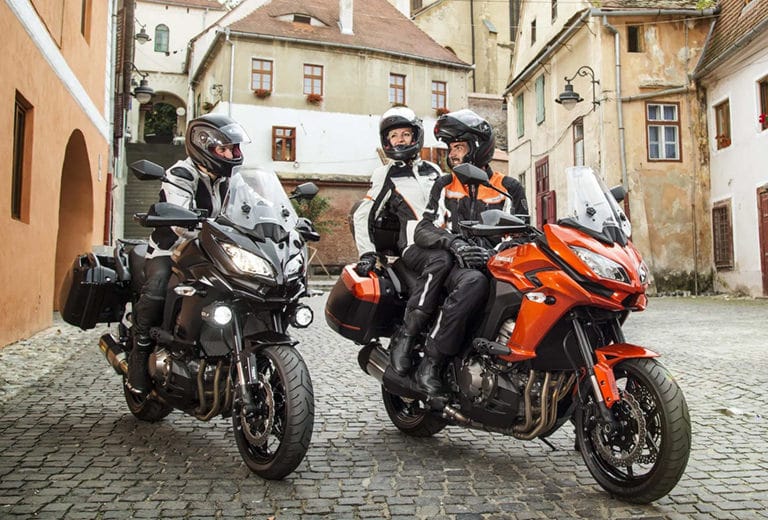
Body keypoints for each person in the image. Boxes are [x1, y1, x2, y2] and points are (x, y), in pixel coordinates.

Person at [127, 113, 250, 395]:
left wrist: (279, 222)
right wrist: (195, 224)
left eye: (236, 148)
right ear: (204, 147)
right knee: (157, 287)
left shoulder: (232, 179)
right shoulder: (180, 174)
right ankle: (139, 352)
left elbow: (253, 204)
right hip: (171, 249)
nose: (235, 154)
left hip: (212, 250)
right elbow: (180, 221)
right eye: (228, 148)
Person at [411, 109, 529, 398]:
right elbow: (424, 228)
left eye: (459, 147)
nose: (452, 154)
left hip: (498, 264)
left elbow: (523, 233)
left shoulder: (508, 187)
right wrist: (456, 245)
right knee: (473, 283)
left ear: (478, 149)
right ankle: (432, 362)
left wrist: (495, 253)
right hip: (459, 265)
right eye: (450, 148)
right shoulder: (445, 184)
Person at [351, 106, 445, 375]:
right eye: (394, 136)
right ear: (387, 142)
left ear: (417, 136)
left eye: (406, 133)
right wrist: (366, 253)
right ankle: (407, 336)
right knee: (438, 275)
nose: (401, 140)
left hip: (444, 241)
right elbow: (363, 215)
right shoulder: (386, 174)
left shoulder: (434, 170)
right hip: (414, 247)